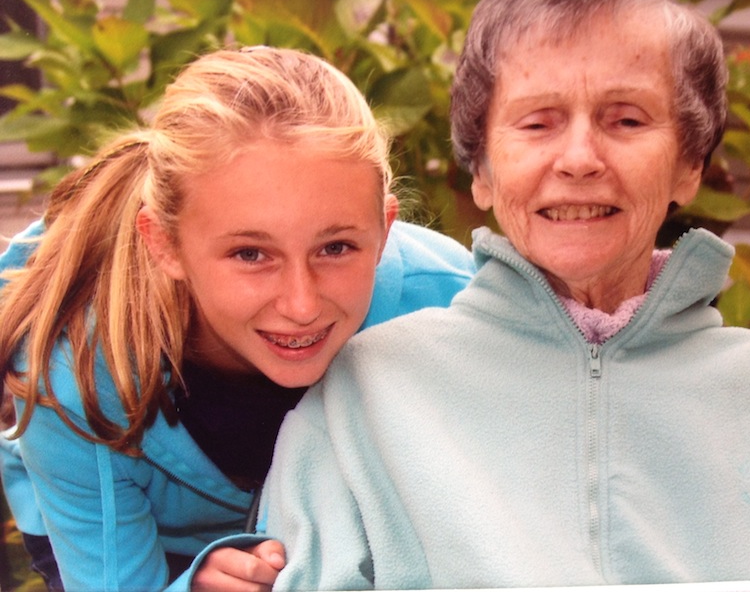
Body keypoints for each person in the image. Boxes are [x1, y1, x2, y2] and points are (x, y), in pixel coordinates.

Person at [191, 0, 750, 588]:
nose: (579, 159)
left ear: (689, 166)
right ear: (480, 171)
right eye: (538, 123)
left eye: (626, 120)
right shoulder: (362, 395)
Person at [0, 45, 476, 591]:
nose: (301, 305)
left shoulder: (448, 308)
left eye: (336, 247)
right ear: (165, 244)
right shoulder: (81, 377)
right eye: (251, 254)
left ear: (384, 230)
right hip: (129, 540)